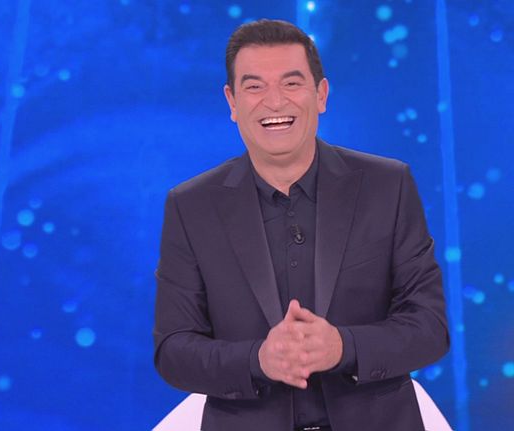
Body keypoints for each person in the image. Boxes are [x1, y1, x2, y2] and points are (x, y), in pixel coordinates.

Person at [153, 19, 449, 431]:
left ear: (321, 94)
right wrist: (258, 359)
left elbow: (430, 327)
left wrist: (343, 347)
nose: (274, 102)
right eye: (254, 87)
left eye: (291, 84)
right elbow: (173, 350)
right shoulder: (191, 206)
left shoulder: (387, 186)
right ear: (232, 102)